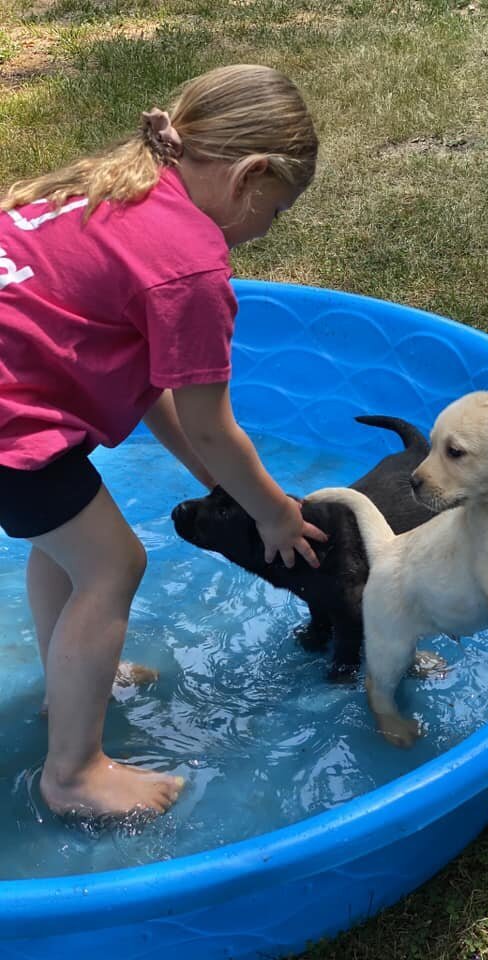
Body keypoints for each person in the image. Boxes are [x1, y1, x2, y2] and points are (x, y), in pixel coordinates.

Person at [0, 64, 326, 820]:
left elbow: (156, 389)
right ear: (252, 176)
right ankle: (74, 774)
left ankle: (68, 686)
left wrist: (205, 475)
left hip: (17, 394)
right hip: (11, 415)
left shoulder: (115, 190)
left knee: (71, 553)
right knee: (115, 563)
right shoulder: (189, 265)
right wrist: (274, 511)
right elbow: (214, 423)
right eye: (274, 212)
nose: (264, 231)